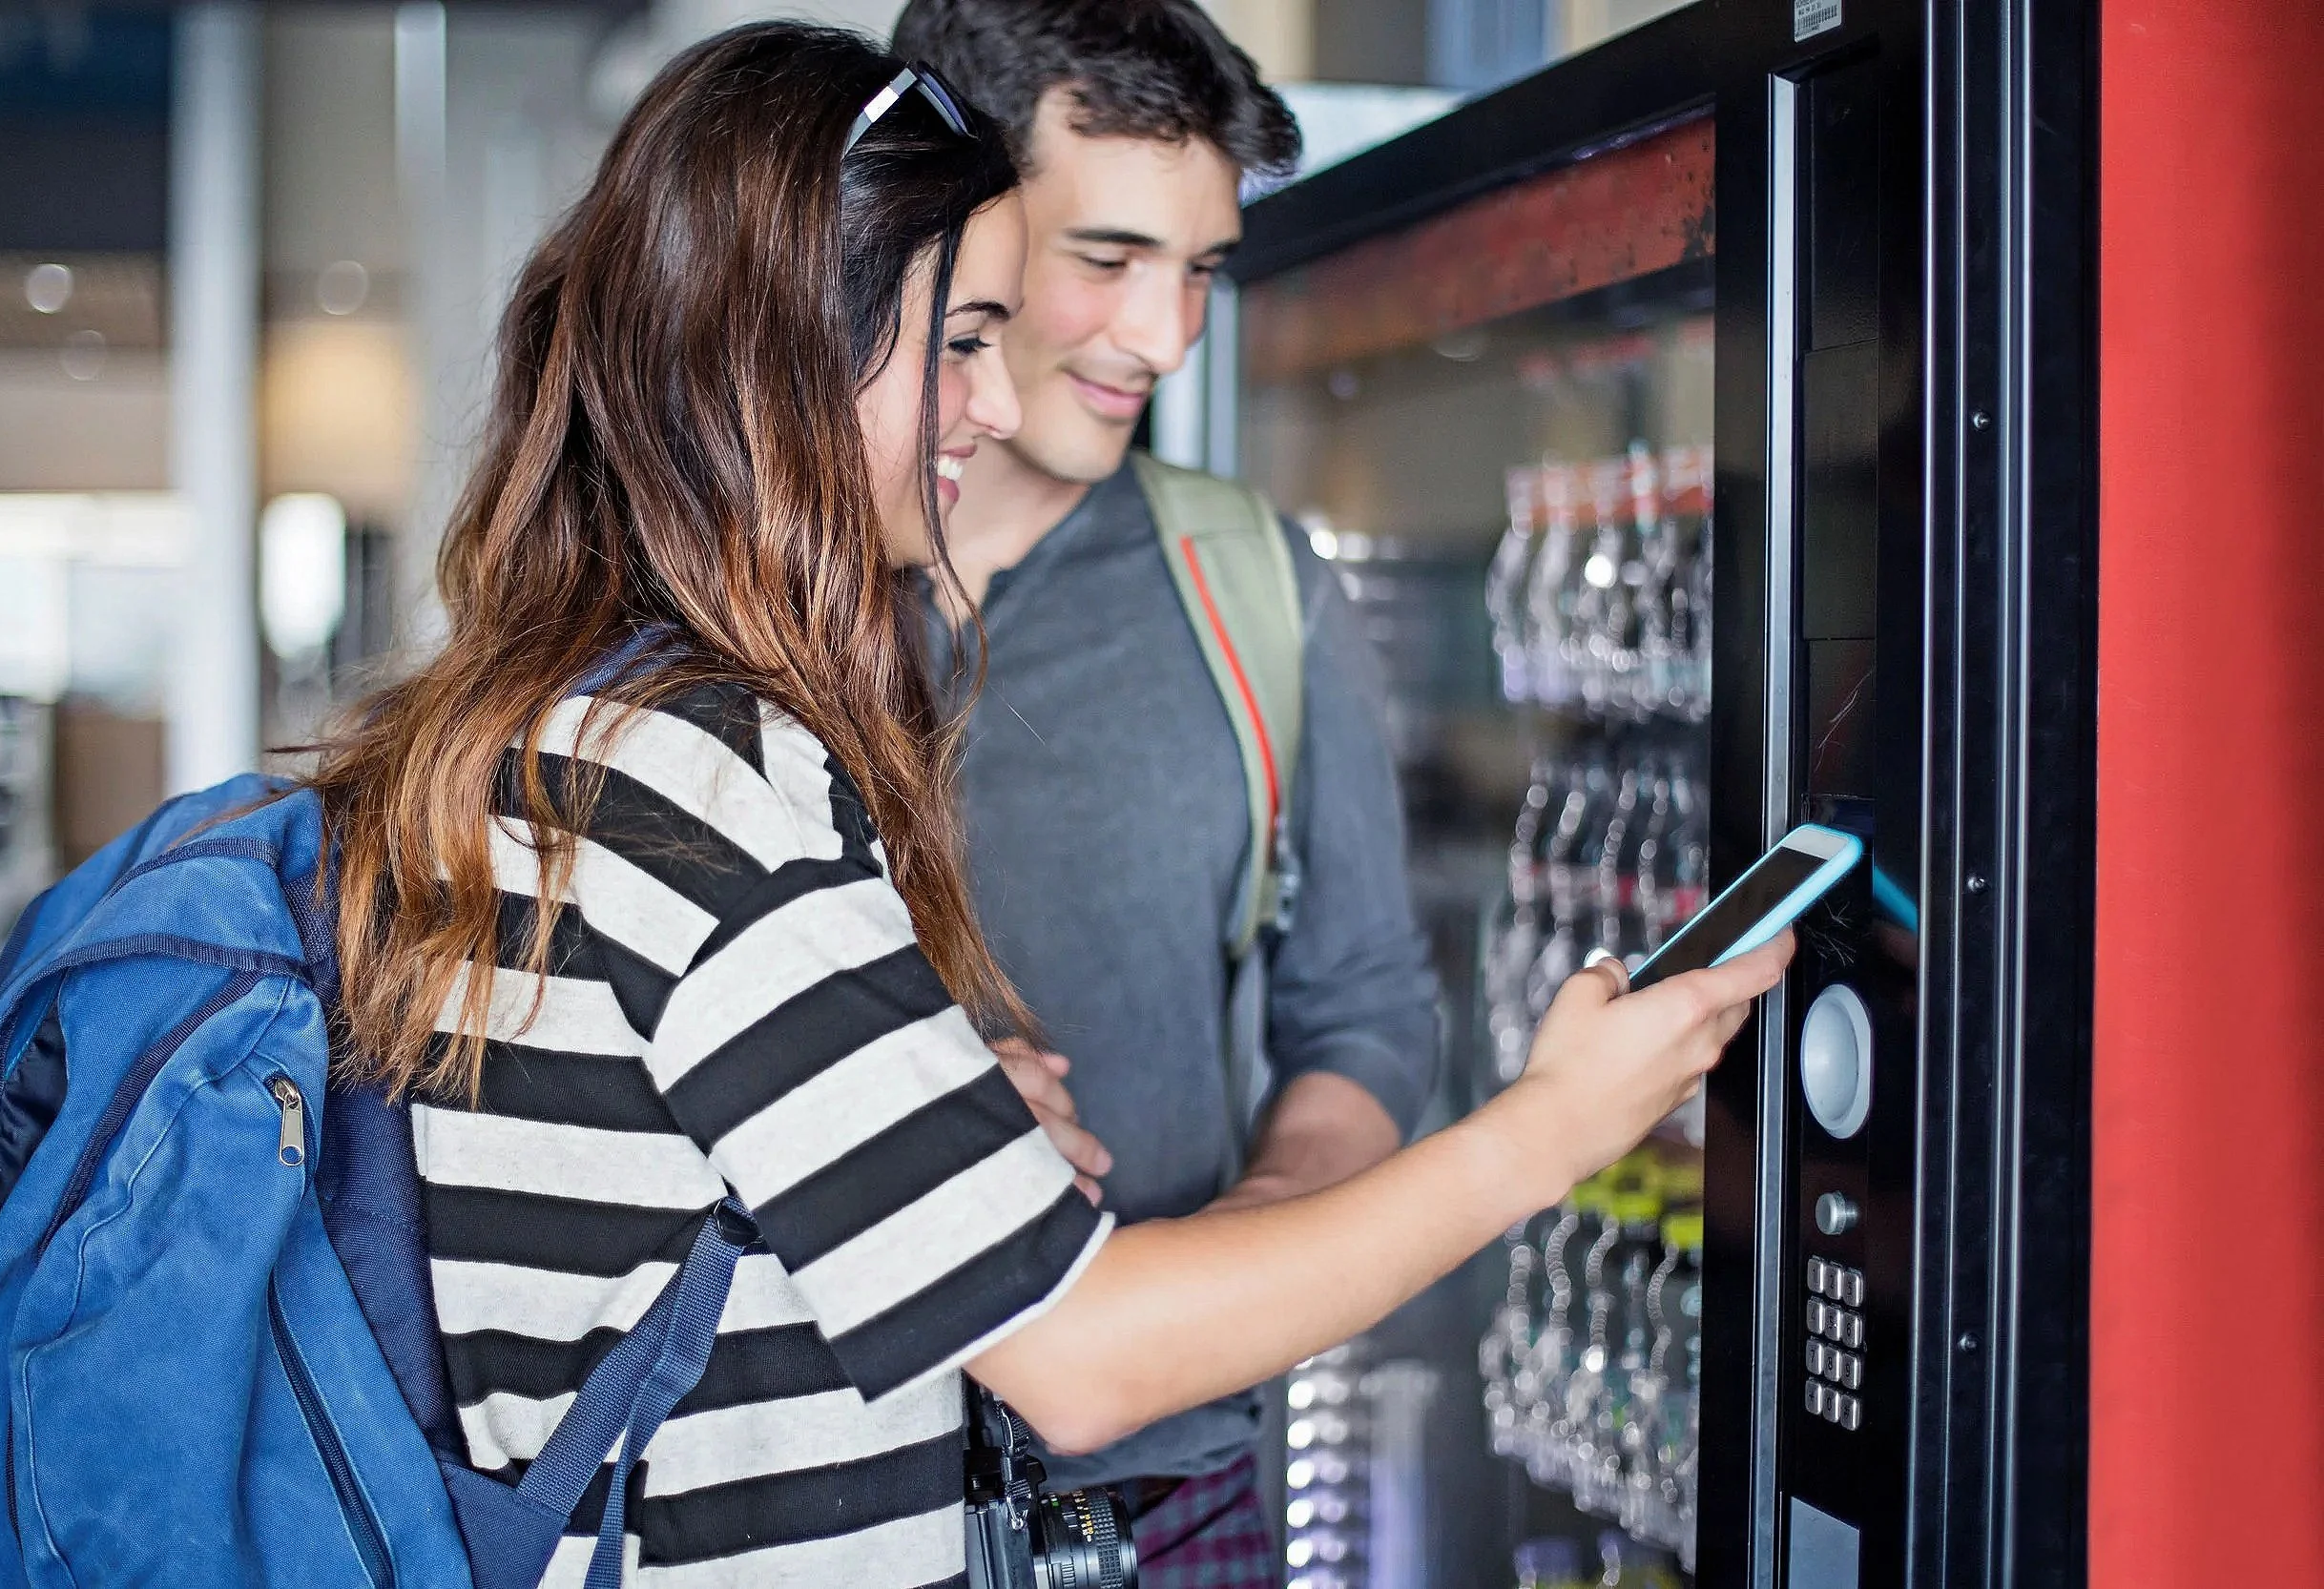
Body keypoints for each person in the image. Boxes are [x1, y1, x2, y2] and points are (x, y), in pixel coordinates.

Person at [308, 21, 1788, 1588]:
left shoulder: (572, 721)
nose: (1004, 396)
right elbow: (1077, 1354)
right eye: (967, 332)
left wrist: (942, 1113)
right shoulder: (703, 774)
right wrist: (1554, 1126)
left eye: (1201, 269)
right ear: (801, 337)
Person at [885, 0, 1434, 1565]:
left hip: (1179, 1490)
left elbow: (1369, 1008)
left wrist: (1248, 1240)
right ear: (952, 226)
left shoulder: (1251, 585)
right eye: (1109, 260)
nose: (1169, 337)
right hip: (829, 1497)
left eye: (1200, 271)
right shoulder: (742, 611)